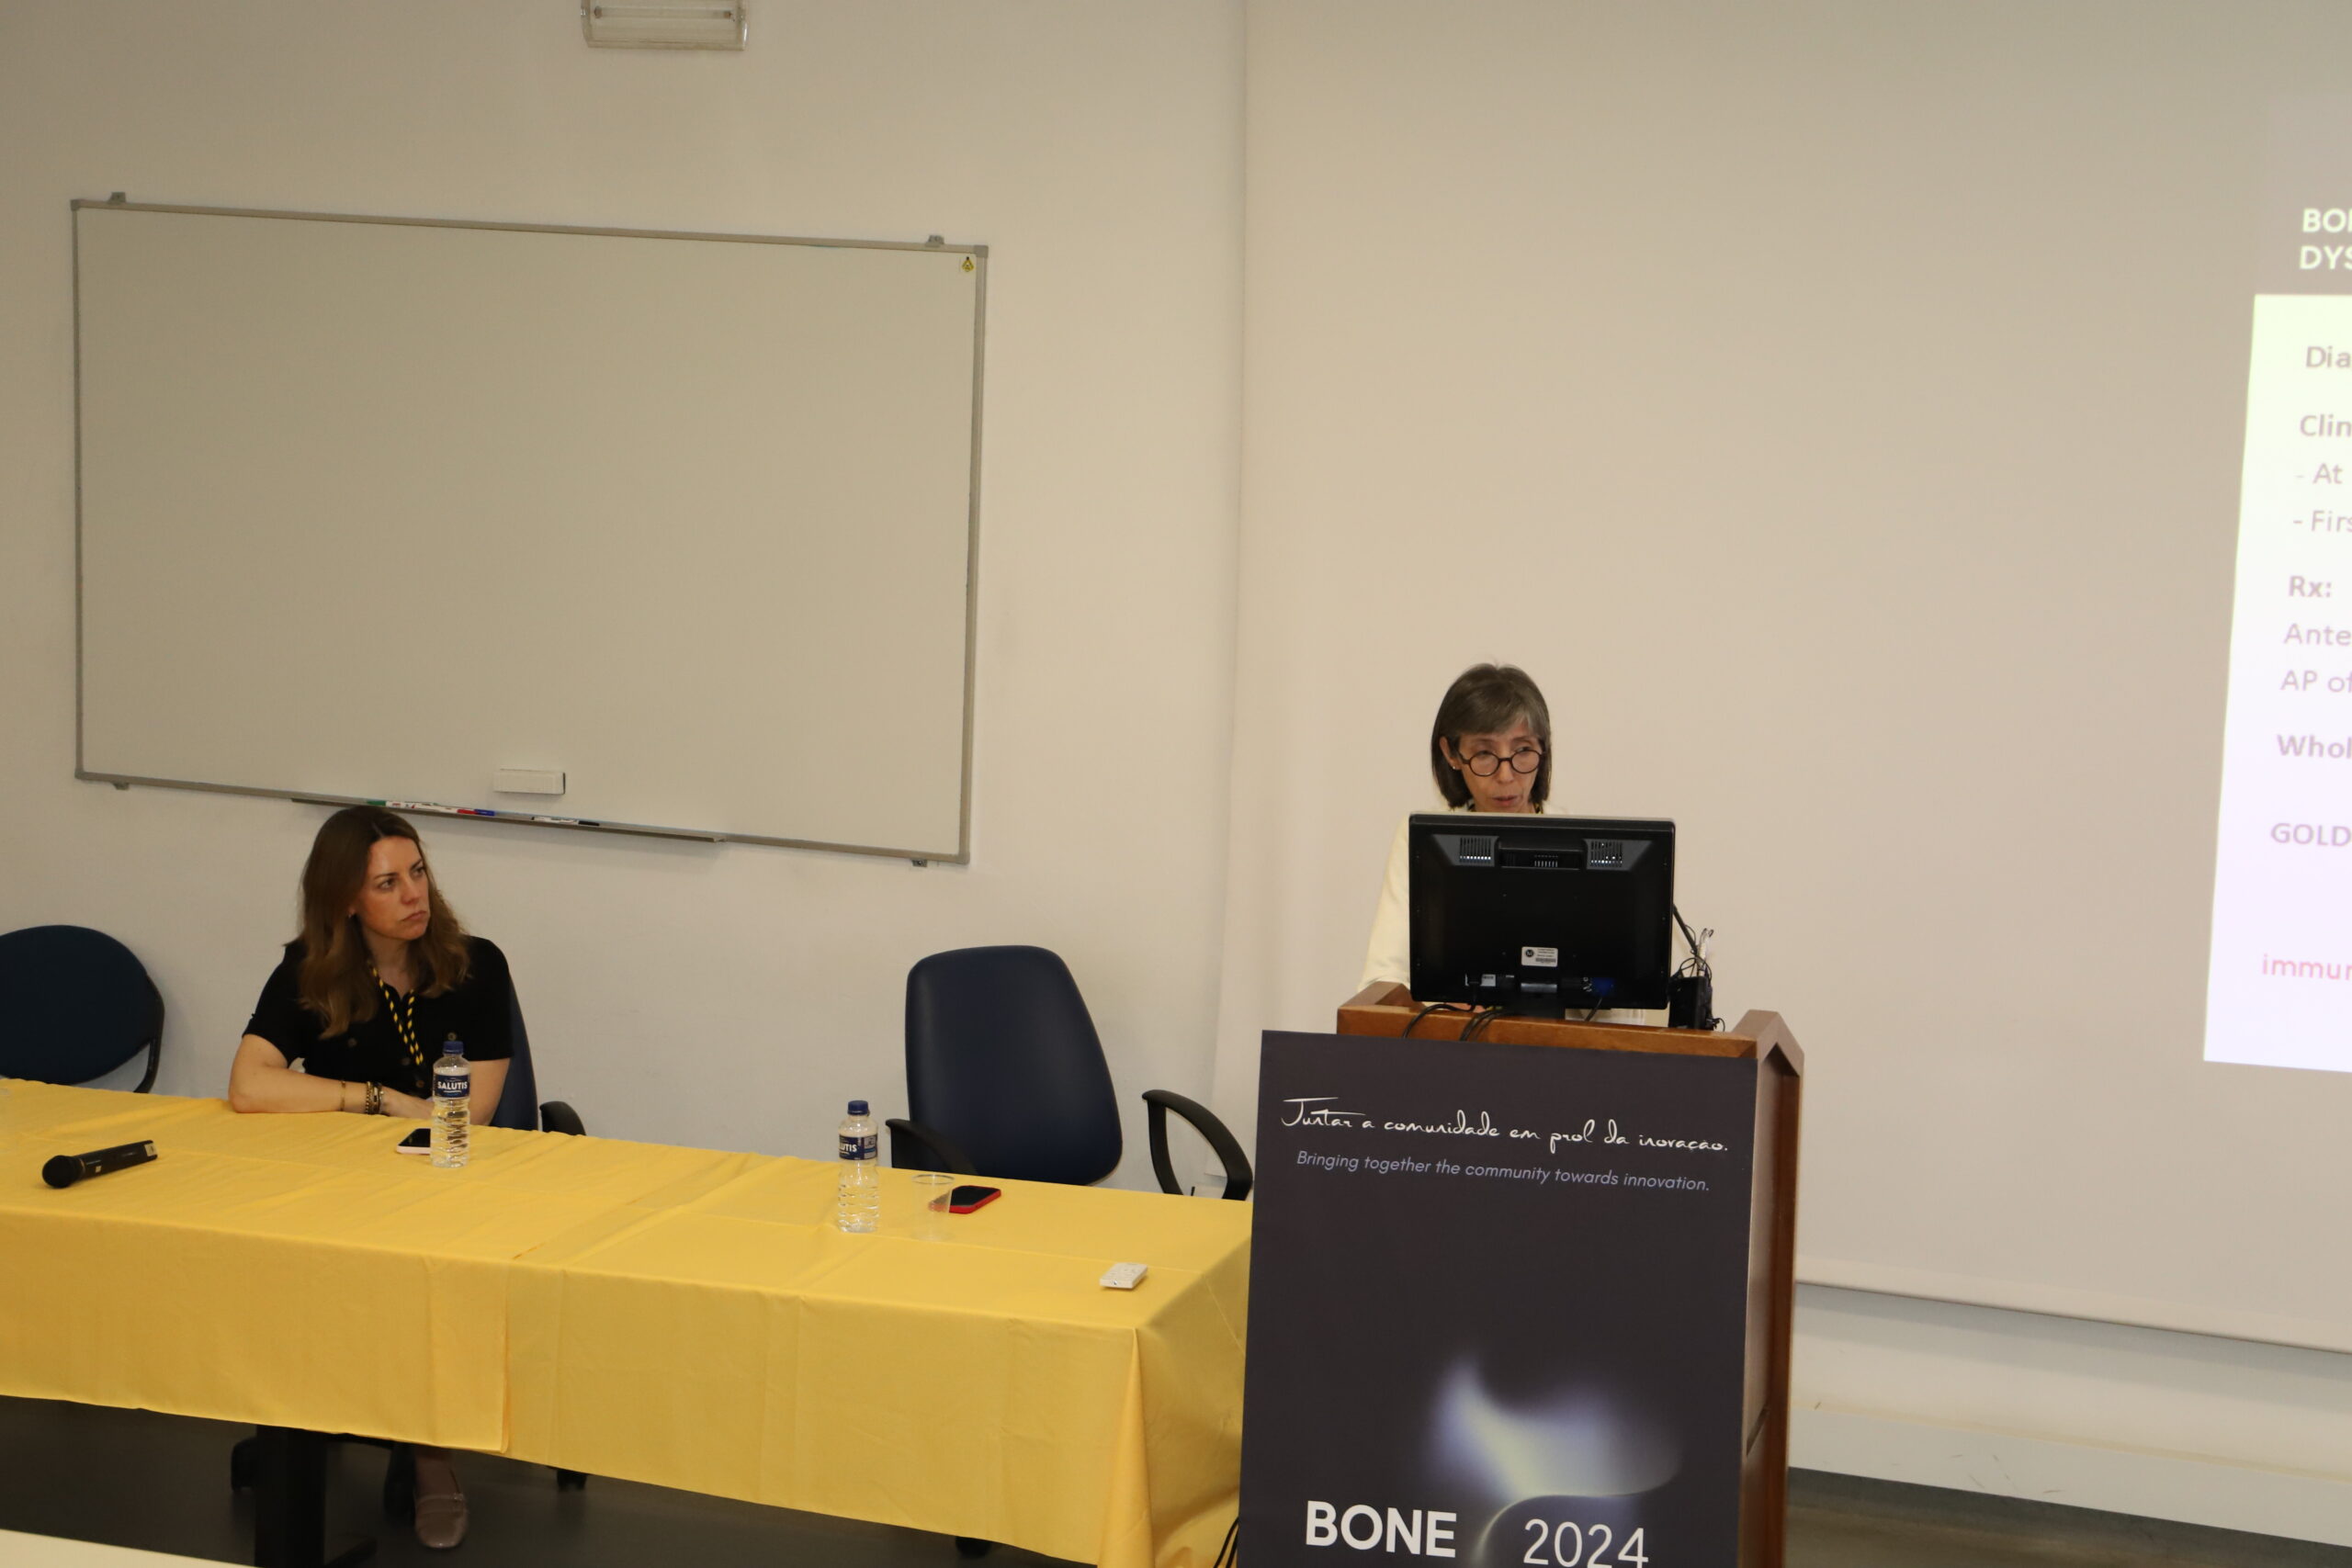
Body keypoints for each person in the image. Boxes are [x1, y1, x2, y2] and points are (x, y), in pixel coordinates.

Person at [228, 805, 514, 1551]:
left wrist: (404, 1115)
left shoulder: (476, 965)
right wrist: (377, 1099)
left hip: (447, 1182)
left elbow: (474, 1112)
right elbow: (250, 1084)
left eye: (417, 872)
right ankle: (304, 1418)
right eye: (388, 883)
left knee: (429, 1273)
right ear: (346, 901)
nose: (414, 894)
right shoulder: (310, 969)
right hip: (345, 1187)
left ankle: (432, 1460)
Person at [1361, 662, 1658, 1024]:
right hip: (1456, 1044)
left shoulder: (1585, 844)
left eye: (1522, 751)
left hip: (1565, 1047)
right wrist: (1444, 1009)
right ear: (1452, 754)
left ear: (1544, 749)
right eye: (1485, 753)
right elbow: (1383, 979)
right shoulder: (1421, 840)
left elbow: (1628, 1003)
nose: (1506, 776)